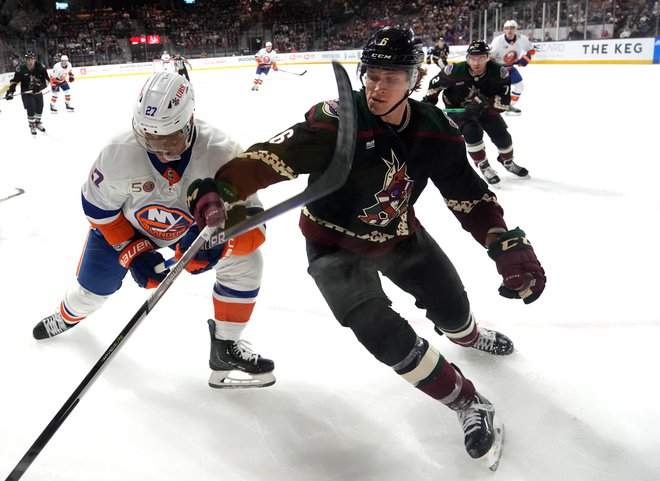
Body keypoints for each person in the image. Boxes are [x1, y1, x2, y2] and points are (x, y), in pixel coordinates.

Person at [186, 27, 546, 468]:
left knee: (452, 307)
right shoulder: (337, 120)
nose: (377, 87)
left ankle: (468, 335)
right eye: (372, 75)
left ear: (415, 80)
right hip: (332, 247)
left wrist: (501, 242)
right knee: (379, 331)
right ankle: (468, 401)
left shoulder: (436, 131)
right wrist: (221, 189)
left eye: (391, 78)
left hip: (400, 237)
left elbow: (467, 195)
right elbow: (271, 158)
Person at [32, 72, 275, 389]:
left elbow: (256, 225)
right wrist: (132, 251)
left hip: (192, 233)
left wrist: (221, 244)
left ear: (189, 121)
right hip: (128, 229)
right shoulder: (118, 153)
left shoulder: (221, 152)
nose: (159, 146)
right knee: (91, 291)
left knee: (248, 262)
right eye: (149, 137)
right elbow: (98, 211)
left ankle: (225, 347)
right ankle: (68, 315)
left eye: (170, 136)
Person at [422, 40, 529, 185]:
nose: (476, 63)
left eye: (481, 58)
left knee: (502, 136)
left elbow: (504, 102)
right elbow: (435, 86)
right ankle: (483, 165)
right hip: (459, 109)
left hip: (485, 110)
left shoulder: (499, 73)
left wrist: (487, 105)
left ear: (488, 58)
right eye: (472, 58)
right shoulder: (454, 71)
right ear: (467, 58)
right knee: (472, 133)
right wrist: (428, 103)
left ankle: (508, 162)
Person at [489, 20, 535, 115]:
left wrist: (527, 57)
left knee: (519, 87)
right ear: (503, 30)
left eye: (512, 28)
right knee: (495, 90)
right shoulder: (498, 41)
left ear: (516, 30)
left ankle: (508, 106)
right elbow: (490, 57)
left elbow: (532, 50)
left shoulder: (522, 39)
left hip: (510, 68)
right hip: (499, 69)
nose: (509, 31)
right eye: (506, 29)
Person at [4, 51, 49, 135]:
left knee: (40, 107)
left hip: (38, 92)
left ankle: (37, 122)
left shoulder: (41, 67)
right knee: (31, 107)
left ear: (34, 59)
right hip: (26, 92)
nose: (30, 61)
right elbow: (14, 81)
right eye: (28, 59)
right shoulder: (21, 69)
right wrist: (10, 92)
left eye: (31, 59)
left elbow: (46, 80)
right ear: (25, 60)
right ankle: (32, 125)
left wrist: (40, 87)